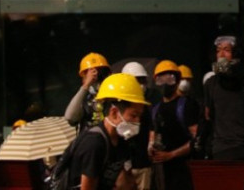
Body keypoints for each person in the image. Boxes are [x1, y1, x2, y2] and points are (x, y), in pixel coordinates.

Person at [67, 73, 146, 190]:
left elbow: (126, 181)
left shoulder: (121, 141)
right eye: (133, 115)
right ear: (114, 113)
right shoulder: (94, 144)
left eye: (139, 116)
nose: (138, 121)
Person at [149, 60, 199, 190]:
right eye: (161, 79)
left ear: (177, 81)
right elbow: (152, 134)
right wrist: (151, 148)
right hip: (161, 171)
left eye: (169, 79)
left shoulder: (186, 105)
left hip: (182, 170)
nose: (165, 83)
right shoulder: (155, 109)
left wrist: (171, 154)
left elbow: (196, 138)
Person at [120, 62, 152, 190]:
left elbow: (151, 129)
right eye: (137, 81)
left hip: (143, 164)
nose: (141, 85)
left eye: (142, 80)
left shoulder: (146, 106)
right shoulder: (119, 107)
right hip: (124, 167)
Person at [66, 53, 112, 133]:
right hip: (91, 140)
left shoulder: (113, 93)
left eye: (101, 71)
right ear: (84, 78)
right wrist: (86, 86)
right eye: (89, 74)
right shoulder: (84, 98)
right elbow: (70, 117)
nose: (96, 76)